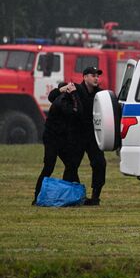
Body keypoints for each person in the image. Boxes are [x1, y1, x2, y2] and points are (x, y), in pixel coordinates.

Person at [48, 66, 106, 206]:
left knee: (99, 163)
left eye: (97, 76)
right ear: (85, 77)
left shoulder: (101, 94)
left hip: (93, 135)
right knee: (71, 165)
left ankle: (95, 197)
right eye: (93, 75)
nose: (96, 78)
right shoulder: (75, 89)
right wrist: (61, 89)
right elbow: (52, 98)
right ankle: (73, 195)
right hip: (76, 134)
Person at [33, 82, 82, 205]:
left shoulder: (60, 98)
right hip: (52, 138)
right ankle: (37, 196)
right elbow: (76, 112)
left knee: (71, 165)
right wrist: (72, 93)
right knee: (49, 166)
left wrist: (65, 90)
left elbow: (51, 95)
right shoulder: (62, 101)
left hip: (61, 138)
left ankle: (72, 194)